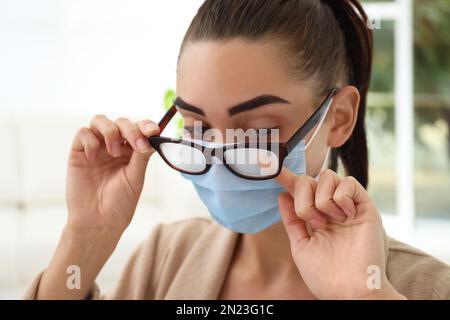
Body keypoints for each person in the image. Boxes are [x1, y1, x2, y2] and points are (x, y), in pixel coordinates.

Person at [25, 0, 450, 300]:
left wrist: (363, 296)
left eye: (258, 132)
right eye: (199, 128)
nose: (220, 161)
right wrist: (85, 238)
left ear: (338, 118)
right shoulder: (166, 257)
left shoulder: (425, 286)